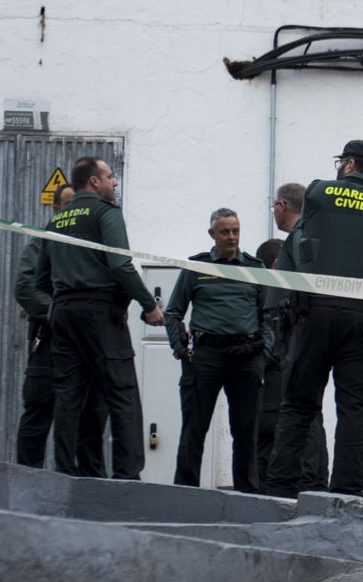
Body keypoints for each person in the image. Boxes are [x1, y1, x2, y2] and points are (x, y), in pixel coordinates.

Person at [264, 140, 363, 497]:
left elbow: (297, 248)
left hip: (313, 315)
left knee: (298, 405)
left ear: (348, 165)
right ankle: (344, 495)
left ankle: (280, 492)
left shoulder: (316, 193)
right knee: (355, 411)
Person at [35, 157, 164, 479]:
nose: (114, 182)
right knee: (122, 394)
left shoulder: (56, 221)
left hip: (63, 315)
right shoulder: (106, 213)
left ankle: (64, 474)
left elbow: (40, 282)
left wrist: (60, 306)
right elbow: (120, 265)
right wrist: (149, 305)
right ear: (94, 182)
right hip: (101, 315)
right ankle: (127, 477)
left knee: (68, 398)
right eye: (110, 177)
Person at [164, 209, 270, 491]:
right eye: (225, 231)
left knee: (246, 431)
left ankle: (248, 496)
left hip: (247, 356)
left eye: (236, 230)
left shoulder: (255, 268)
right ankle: (185, 493)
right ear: (212, 234)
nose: (232, 237)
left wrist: (265, 351)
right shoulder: (197, 268)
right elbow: (173, 312)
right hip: (206, 356)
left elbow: (269, 314)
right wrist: (179, 348)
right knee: (194, 429)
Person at [14, 185, 109, 474]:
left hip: (89, 345)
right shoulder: (42, 243)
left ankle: (89, 486)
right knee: (39, 412)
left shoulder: (94, 244)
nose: (75, 214)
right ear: (56, 209)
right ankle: (28, 485)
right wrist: (60, 313)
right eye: (68, 206)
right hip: (51, 342)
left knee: (91, 415)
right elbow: (26, 287)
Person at [261, 184, 330, 491]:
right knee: (308, 408)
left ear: (282, 206)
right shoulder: (310, 235)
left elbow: (287, 294)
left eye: (274, 206)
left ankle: (308, 479)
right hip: (307, 330)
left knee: (302, 407)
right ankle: (312, 477)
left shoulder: (299, 239)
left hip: (300, 333)